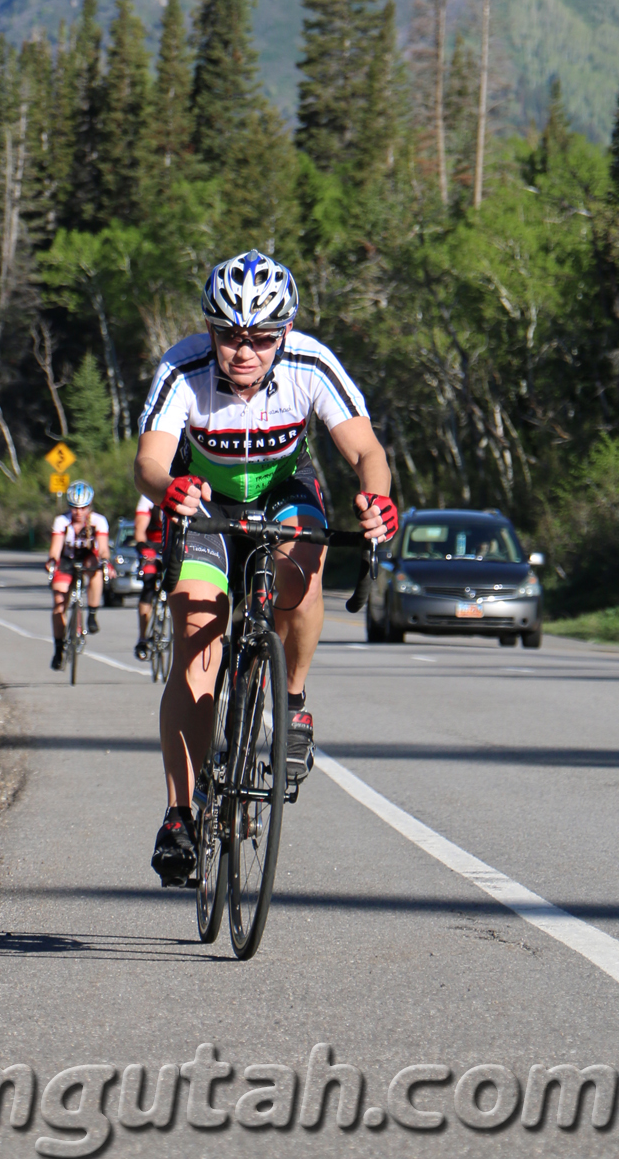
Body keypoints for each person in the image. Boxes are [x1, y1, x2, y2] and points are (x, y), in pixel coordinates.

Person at [134, 248, 398, 887]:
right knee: (196, 636)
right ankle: (179, 815)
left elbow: (365, 449)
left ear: (283, 333)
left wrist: (378, 499)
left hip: (285, 492)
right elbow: (149, 462)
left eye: (260, 337)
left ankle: (294, 700)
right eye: (229, 336)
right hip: (207, 502)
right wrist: (166, 488)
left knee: (302, 576)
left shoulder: (310, 362)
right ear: (210, 330)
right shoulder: (182, 368)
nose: (244, 351)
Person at [45, 482, 110, 671]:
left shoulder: (98, 521)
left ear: (89, 506)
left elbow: (103, 547)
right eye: (74, 508)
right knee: (59, 603)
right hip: (67, 559)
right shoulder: (62, 521)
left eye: (82, 508)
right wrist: (52, 561)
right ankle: (58, 649)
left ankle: (92, 614)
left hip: (87, 558)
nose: (78, 512)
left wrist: (105, 560)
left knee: (96, 570)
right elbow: (56, 549)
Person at [132, 493, 161, 660]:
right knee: (149, 585)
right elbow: (140, 530)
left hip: (172, 544)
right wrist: (144, 550)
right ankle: (143, 638)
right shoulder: (148, 498)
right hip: (150, 545)